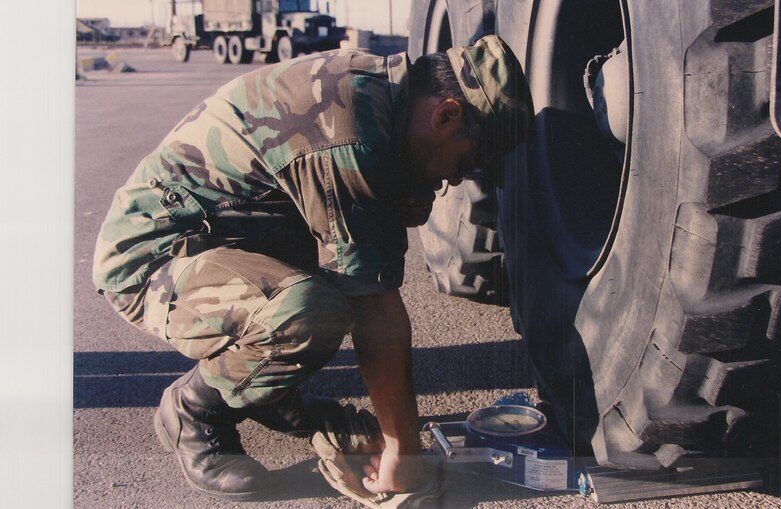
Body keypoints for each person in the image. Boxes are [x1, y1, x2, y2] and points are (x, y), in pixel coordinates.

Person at [92, 35, 533, 501]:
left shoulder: (384, 95)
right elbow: (375, 312)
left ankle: (267, 394)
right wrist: (403, 455)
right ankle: (194, 410)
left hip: (226, 238)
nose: (459, 179)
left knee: (335, 277)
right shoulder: (349, 133)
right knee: (307, 314)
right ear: (446, 114)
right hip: (150, 260)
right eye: (467, 160)